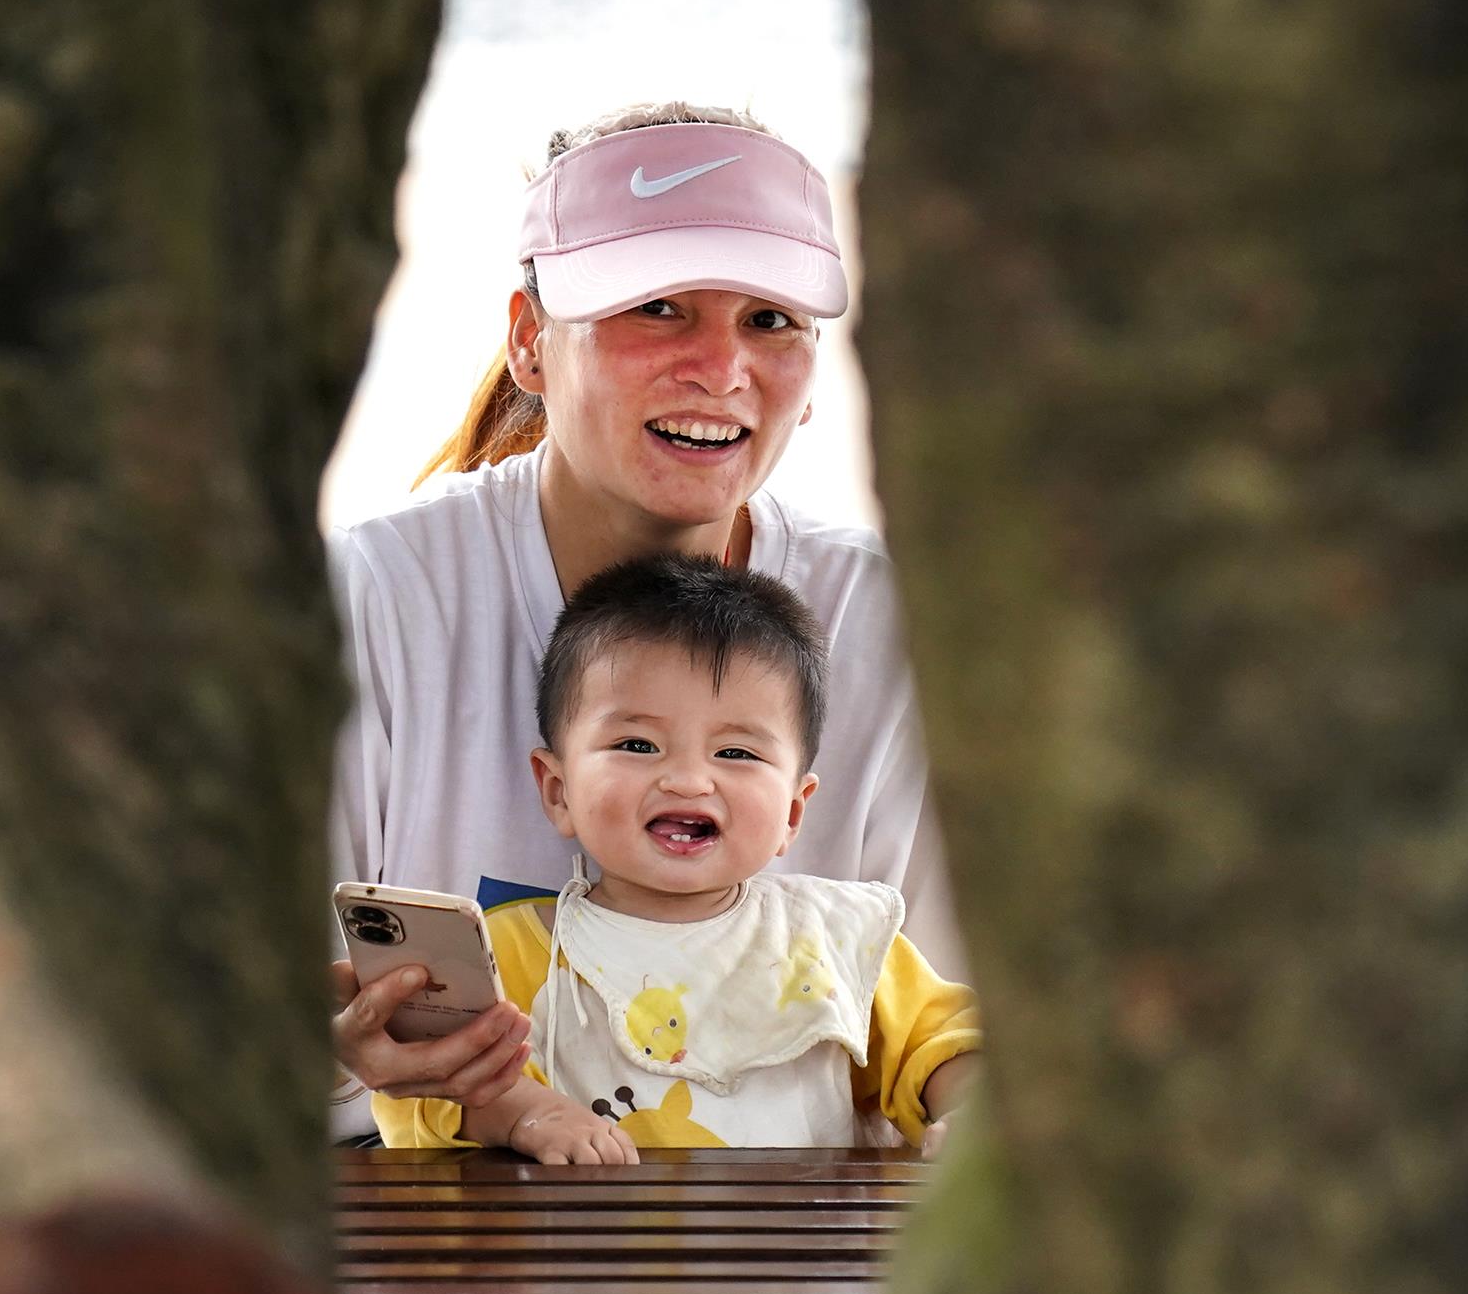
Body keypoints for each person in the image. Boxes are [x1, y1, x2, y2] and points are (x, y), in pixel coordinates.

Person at [322, 103, 961, 1138]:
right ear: (529, 342)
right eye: (657, 307)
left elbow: (961, 1040)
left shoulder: (893, 627)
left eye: (770, 320)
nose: (721, 367)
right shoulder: (371, 601)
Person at [366, 553, 979, 1159]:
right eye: (637, 744)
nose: (687, 780)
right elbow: (429, 1089)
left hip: (807, 1227)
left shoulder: (840, 938)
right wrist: (525, 1113)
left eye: (736, 753)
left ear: (793, 811)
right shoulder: (514, 954)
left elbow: (942, 1043)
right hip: (582, 1229)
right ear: (558, 791)